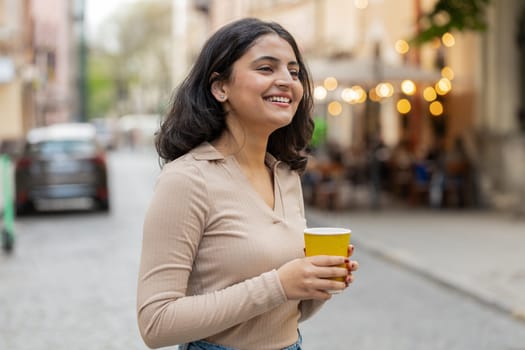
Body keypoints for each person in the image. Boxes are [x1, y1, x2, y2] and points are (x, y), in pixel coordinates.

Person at [137, 18, 359, 350]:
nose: (286, 81)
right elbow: (155, 323)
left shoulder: (285, 176)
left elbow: (282, 313)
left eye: (294, 72)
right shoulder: (188, 179)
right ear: (220, 87)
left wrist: (317, 283)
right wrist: (280, 284)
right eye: (266, 68)